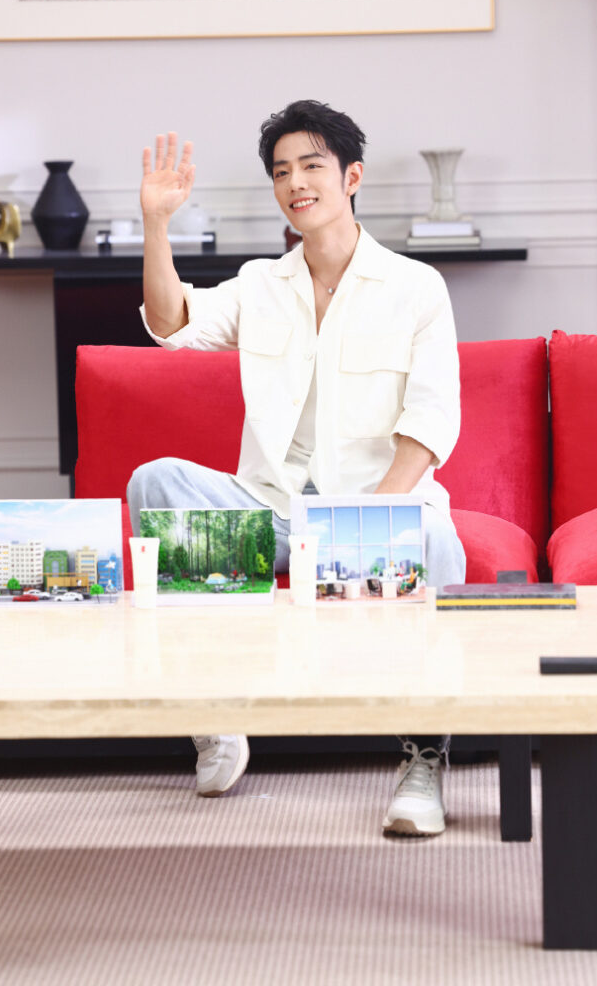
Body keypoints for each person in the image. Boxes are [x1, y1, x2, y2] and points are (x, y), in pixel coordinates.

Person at [127, 100, 466, 836]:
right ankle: (216, 714)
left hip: (370, 508)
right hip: (272, 509)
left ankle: (423, 759)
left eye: (311, 166)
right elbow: (171, 323)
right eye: (281, 172)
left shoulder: (415, 286)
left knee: (438, 542)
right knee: (155, 481)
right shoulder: (260, 284)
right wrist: (156, 223)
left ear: (351, 177)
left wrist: (371, 517)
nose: (295, 183)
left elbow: (432, 420)